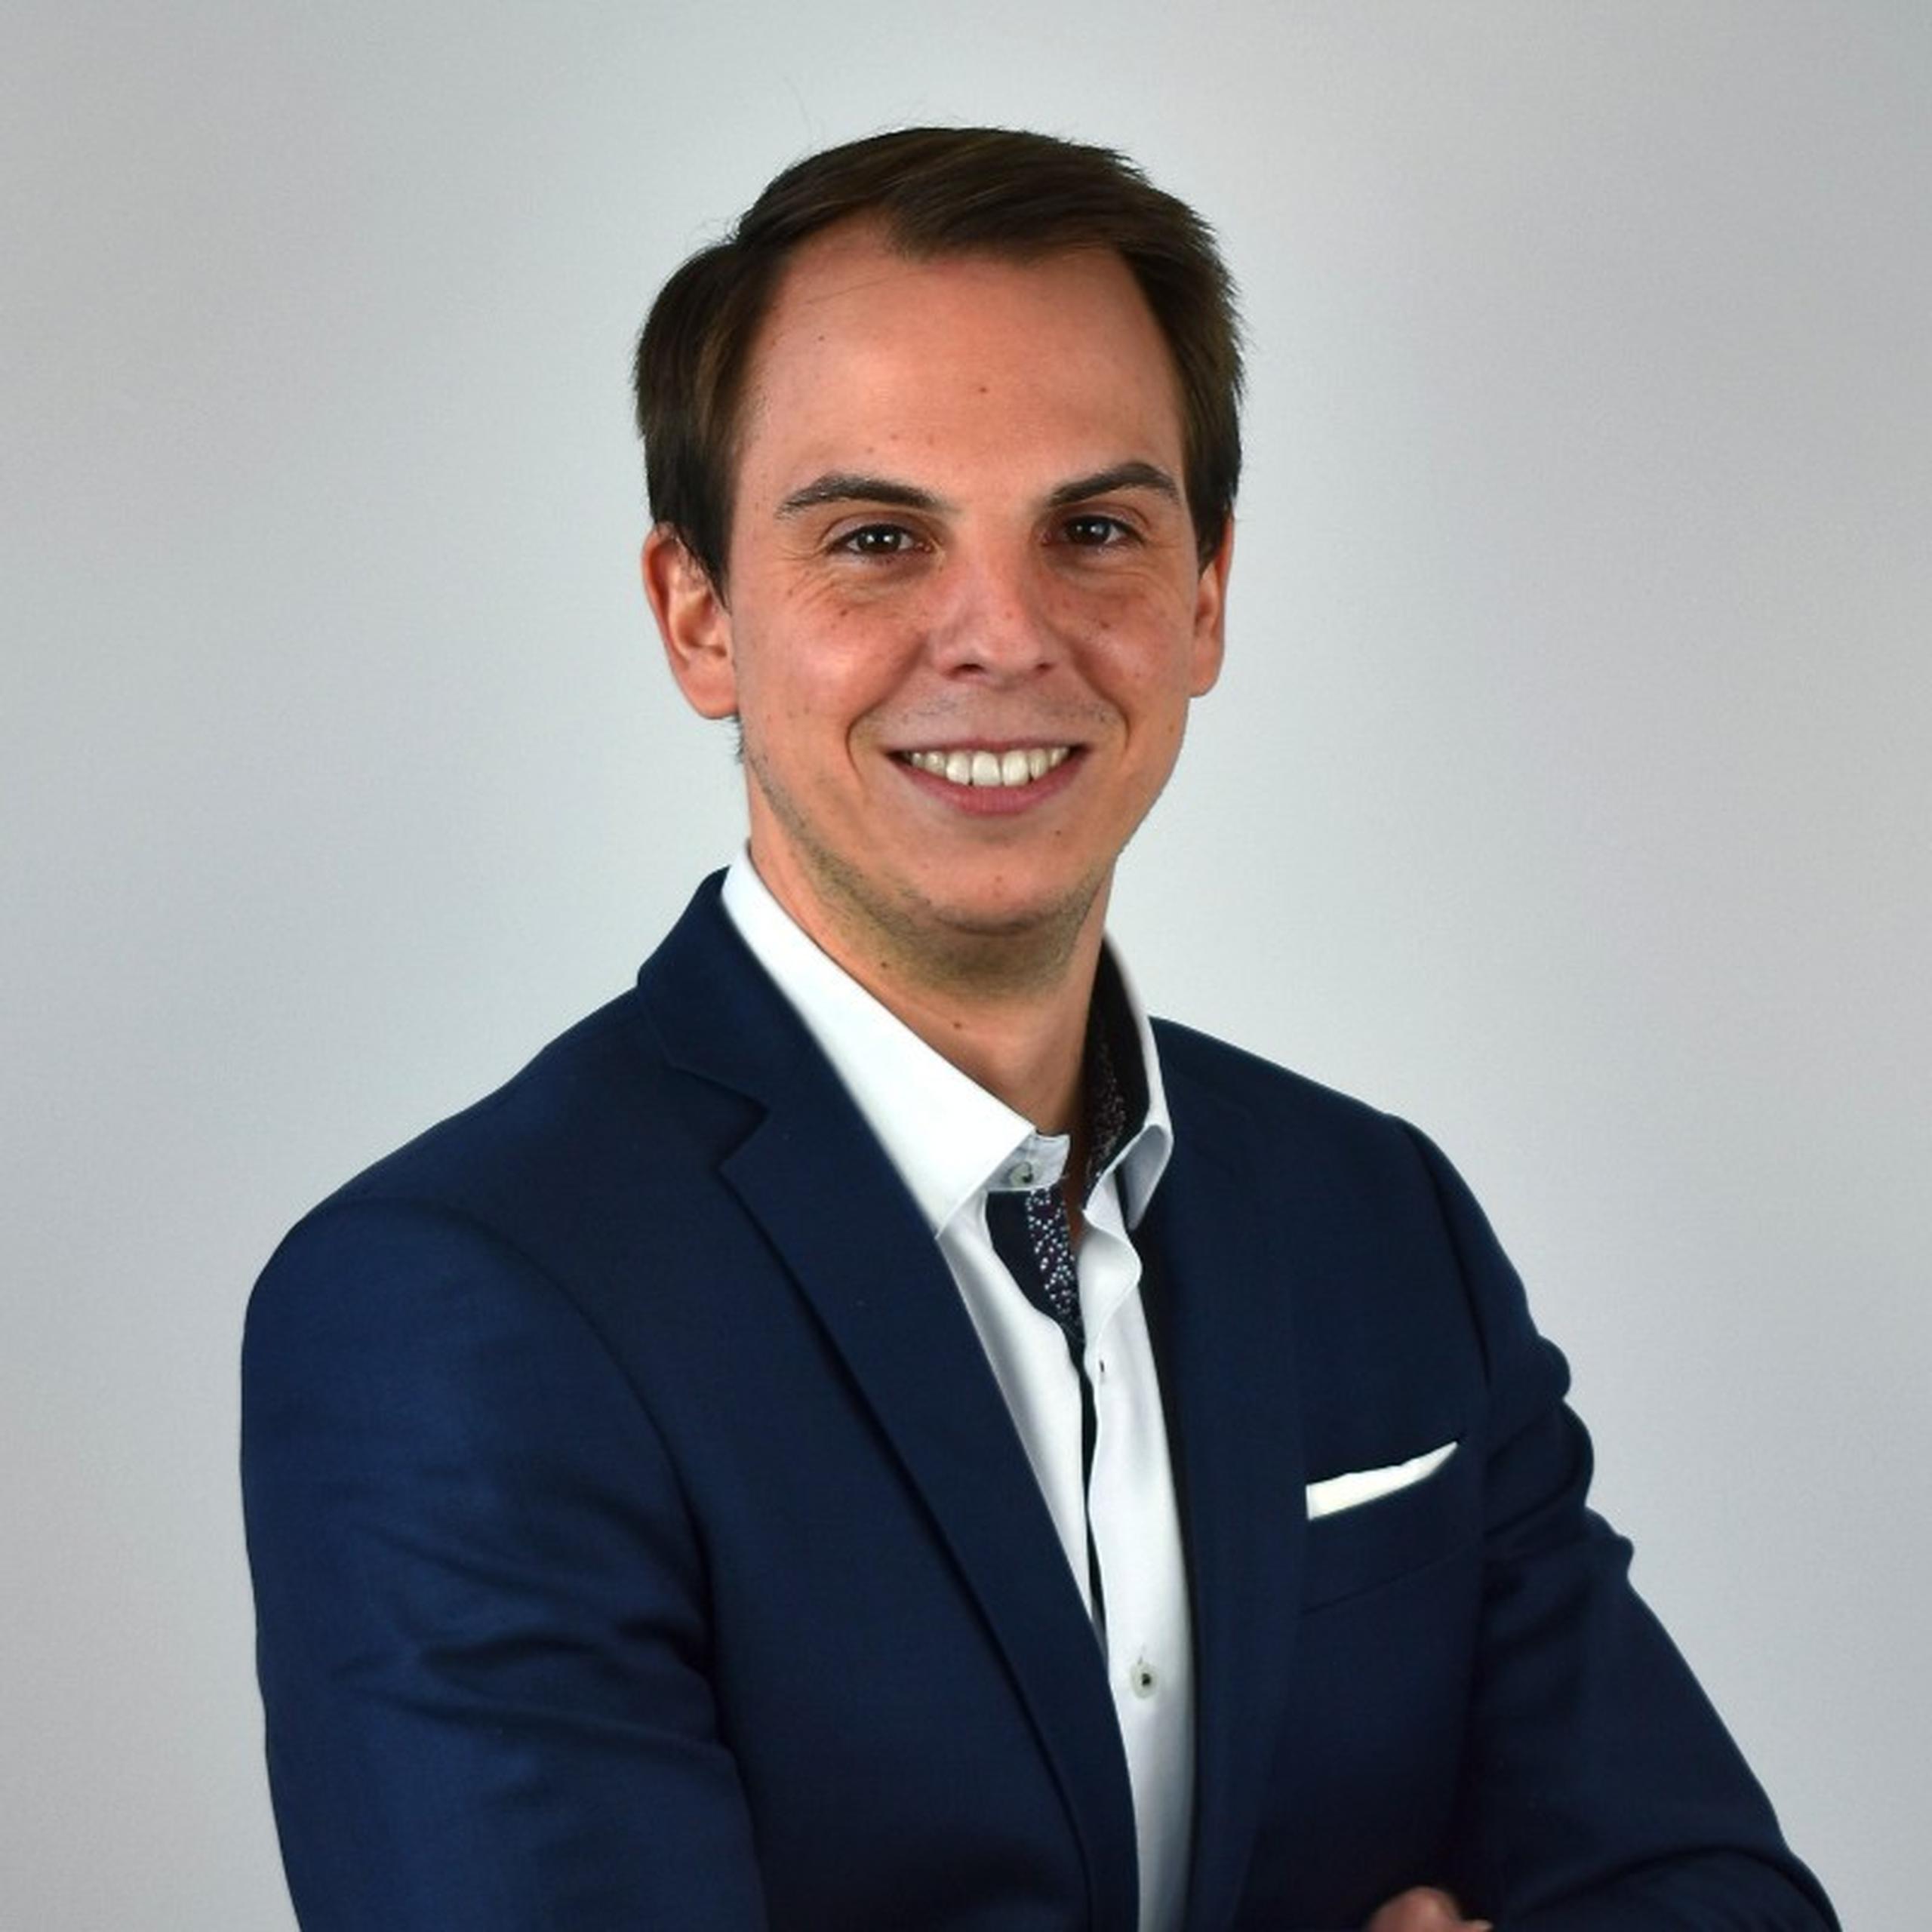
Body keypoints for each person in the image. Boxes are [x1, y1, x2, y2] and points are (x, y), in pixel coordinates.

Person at [242, 127, 1837, 1931]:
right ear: (698, 614)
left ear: (1203, 595)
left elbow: (1717, 1898)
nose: (1000, 636)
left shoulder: (1380, 1222)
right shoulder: (456, 1309)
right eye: (873, 537)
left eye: (1090, 530)